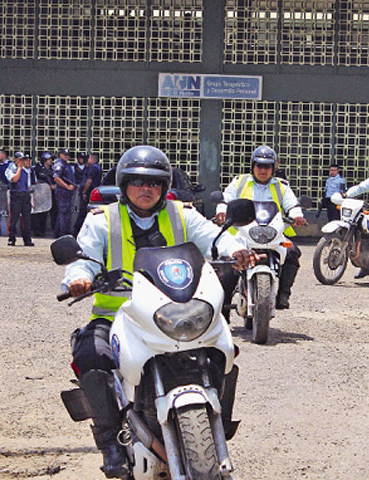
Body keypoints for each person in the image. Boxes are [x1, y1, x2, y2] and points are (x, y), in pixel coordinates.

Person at [62, 145, 256, 479]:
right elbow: (85, 257)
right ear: (124, 185)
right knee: (91, 354)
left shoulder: (181, 213)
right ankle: (110, 440)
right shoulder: (102, 219)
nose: (146, 189)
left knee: (221, 348)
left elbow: (213, 237)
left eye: (153, 183)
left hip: (175, 311)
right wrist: (79, 277)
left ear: (164, 187)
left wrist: (236, 248)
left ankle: (218, 423)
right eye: (137, 182)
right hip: (118, 314)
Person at [216, 145, 307, 310]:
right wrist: (222, 211)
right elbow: (226, 198)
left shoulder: (282, 186)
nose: (263, 169)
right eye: (259, 165)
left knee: (293, 252)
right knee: (227, 262)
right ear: (253, 165)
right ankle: (224, 305)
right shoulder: (240, 182)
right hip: (241, 232)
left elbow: (292, 204)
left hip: (273, 232)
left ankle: (283, 294)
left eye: (267, 166)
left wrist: (297, 215)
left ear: (273, 168)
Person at [6, 151, 36, 246]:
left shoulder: (28, 170)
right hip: (16, 195)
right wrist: (19, 168)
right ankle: (12, 238)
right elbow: (14, 179)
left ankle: (27, 239)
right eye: (21, 159)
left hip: (25, 195)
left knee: (26, 219)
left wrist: (31, 199)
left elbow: (29, 185)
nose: (23, 162)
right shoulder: (11, 169)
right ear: (15, 160)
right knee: (14, 218)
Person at [73, 152, 99, 236]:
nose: (86, 160)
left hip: (88, 193)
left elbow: (89, 181)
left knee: (83, 213)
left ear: (92, 159)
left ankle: (76, 232)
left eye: (88, 158)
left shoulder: (92, 168)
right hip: (92, 193)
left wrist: (84, 192)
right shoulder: (97, 167)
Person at [53, 147, 76, 237]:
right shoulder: (59, 164)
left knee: (63, 212)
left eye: (68, 155)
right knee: (64, 213)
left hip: (67, 192)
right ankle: (63, 233)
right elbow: (56, 178)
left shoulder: (66, 164)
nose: (67, 156)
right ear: (60, 154)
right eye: (65, 155)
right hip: (62, 191)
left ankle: (58, 232)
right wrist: (66, 186)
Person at [0, 149, 12, 233]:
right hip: (0, 191)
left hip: (10, 190)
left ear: (4, 154)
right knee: (2, 212)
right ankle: (3, 232)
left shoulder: (11, 165)